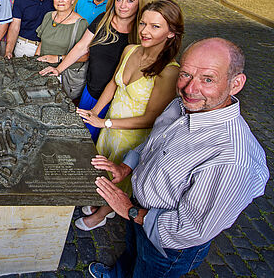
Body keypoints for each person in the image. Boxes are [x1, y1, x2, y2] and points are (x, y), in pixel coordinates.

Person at [87, 38, 269, 278]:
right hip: (140, 213)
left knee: (147, 270)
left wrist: (130, 211)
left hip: (168, 245)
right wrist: (126, 168)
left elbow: (190, 229)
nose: (190, 89)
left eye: (208, 79)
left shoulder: (232, 158)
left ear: (236, 84)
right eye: (186, 75)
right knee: (131, 255)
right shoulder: (181, 106)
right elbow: (154, 143)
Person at [74, 0, 183, 231]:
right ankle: (101, 201)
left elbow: (152, 118)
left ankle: (104, 213)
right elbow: (113, 85)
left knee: (122, 178)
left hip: (133, 136)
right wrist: (95, 112)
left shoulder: (169, 71)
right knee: (103, 166)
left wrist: (106, 121)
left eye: (155, 26)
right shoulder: (130, 49)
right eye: (143, 24)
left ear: (171, 33)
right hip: (110, 128)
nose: (144, 31)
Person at [40, 0, 148, 142]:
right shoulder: (103, 19)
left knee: (98, 141)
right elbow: (81, 47)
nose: (123, 5)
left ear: (140, 3)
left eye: (130, 1)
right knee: (78, 134)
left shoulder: (142, 32)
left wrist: (98, 110)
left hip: (117, 100)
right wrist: (59, 69)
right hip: (90, 92)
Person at [35, 0, 88, 99]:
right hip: (43, 71)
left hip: (64, 76)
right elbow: (42, 42)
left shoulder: (80, 24)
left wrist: (57, 58)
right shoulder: (48, 16)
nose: (60, 0)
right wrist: (35, 60)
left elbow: (85, 56)